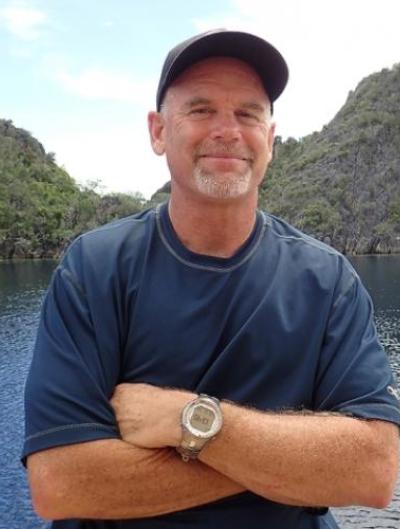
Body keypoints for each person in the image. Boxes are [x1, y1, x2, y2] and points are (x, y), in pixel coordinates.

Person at [23, 29, 400, 529]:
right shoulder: (95, 269)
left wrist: (191, 421)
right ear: (158, 131)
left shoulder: (328, 281)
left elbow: (372, 472)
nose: (228, 130)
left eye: (248, 113)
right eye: (201, 110)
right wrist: (297, 464)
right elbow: (61, 484)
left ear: (270, 138)